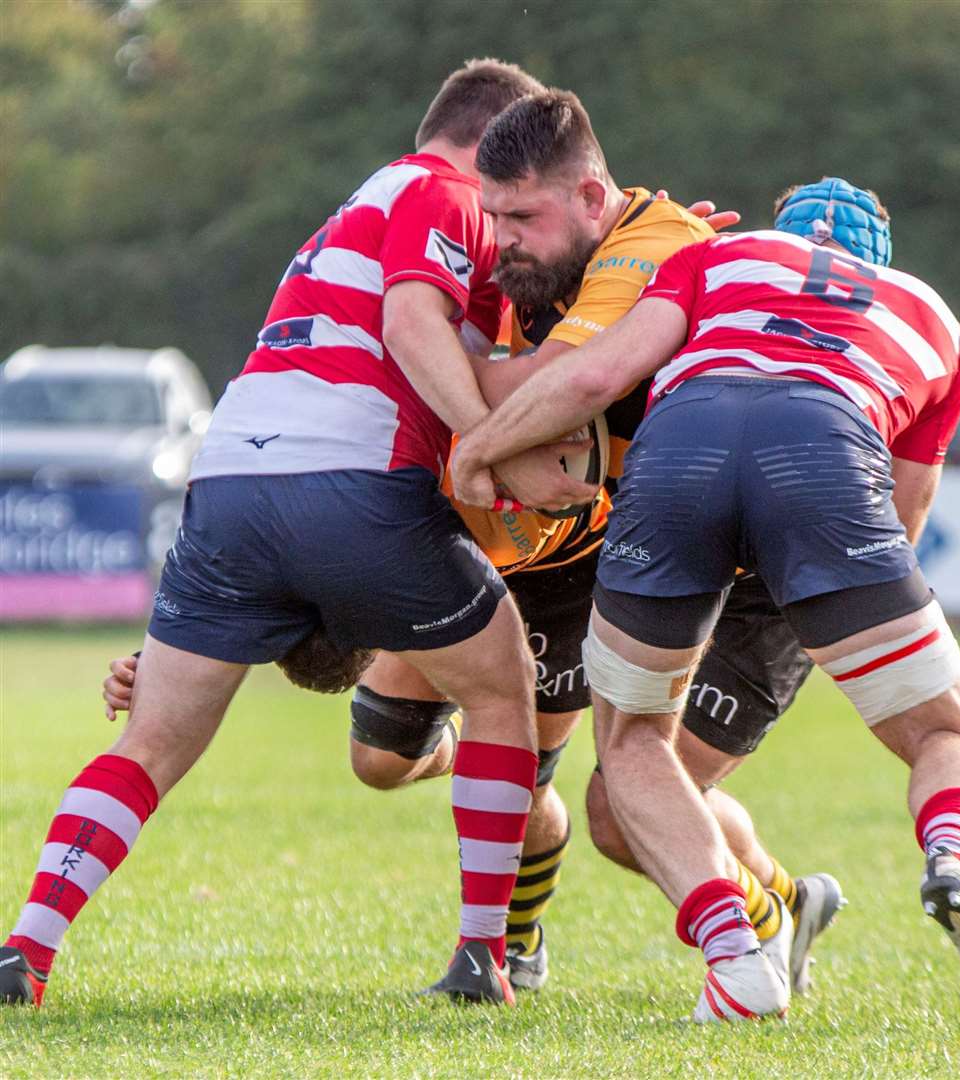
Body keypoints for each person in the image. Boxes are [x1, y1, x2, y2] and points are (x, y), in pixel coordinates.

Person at [99, 91, 845, 1004]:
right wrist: (174, 656)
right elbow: (339, 473)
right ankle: (523, 875)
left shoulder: (647, 245)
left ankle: (713, 921)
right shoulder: (479, 246)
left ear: (588, 193)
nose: (499, 234)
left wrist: (448, 402)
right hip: (475, 543)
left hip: (582, 560)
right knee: (381, 759)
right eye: (489, 213)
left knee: (599, 793)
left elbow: (558, 381)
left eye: (519, 215)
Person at [0, 58, 558, 1010]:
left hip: (227, 482)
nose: (518, 213)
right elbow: (411, 316)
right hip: (351, 474)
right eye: (518, 185)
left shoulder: (348, 214)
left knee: (150, 742)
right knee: (505, 690)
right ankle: (482, 957)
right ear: (493, 144)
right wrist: (482, 442)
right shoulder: (442, 190)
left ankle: (26, 951)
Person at [450, 177, 960, 1023]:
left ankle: (737, 956)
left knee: (630, 756)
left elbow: (599, 374)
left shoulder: (719, 255)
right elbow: (905, 513)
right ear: (877, 259)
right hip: (824, 468)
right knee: (943, 733)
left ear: (782, 234)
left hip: (686, 451)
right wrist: (836, 615)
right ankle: (950, 856)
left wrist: (480, 451)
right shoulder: (929, 314)